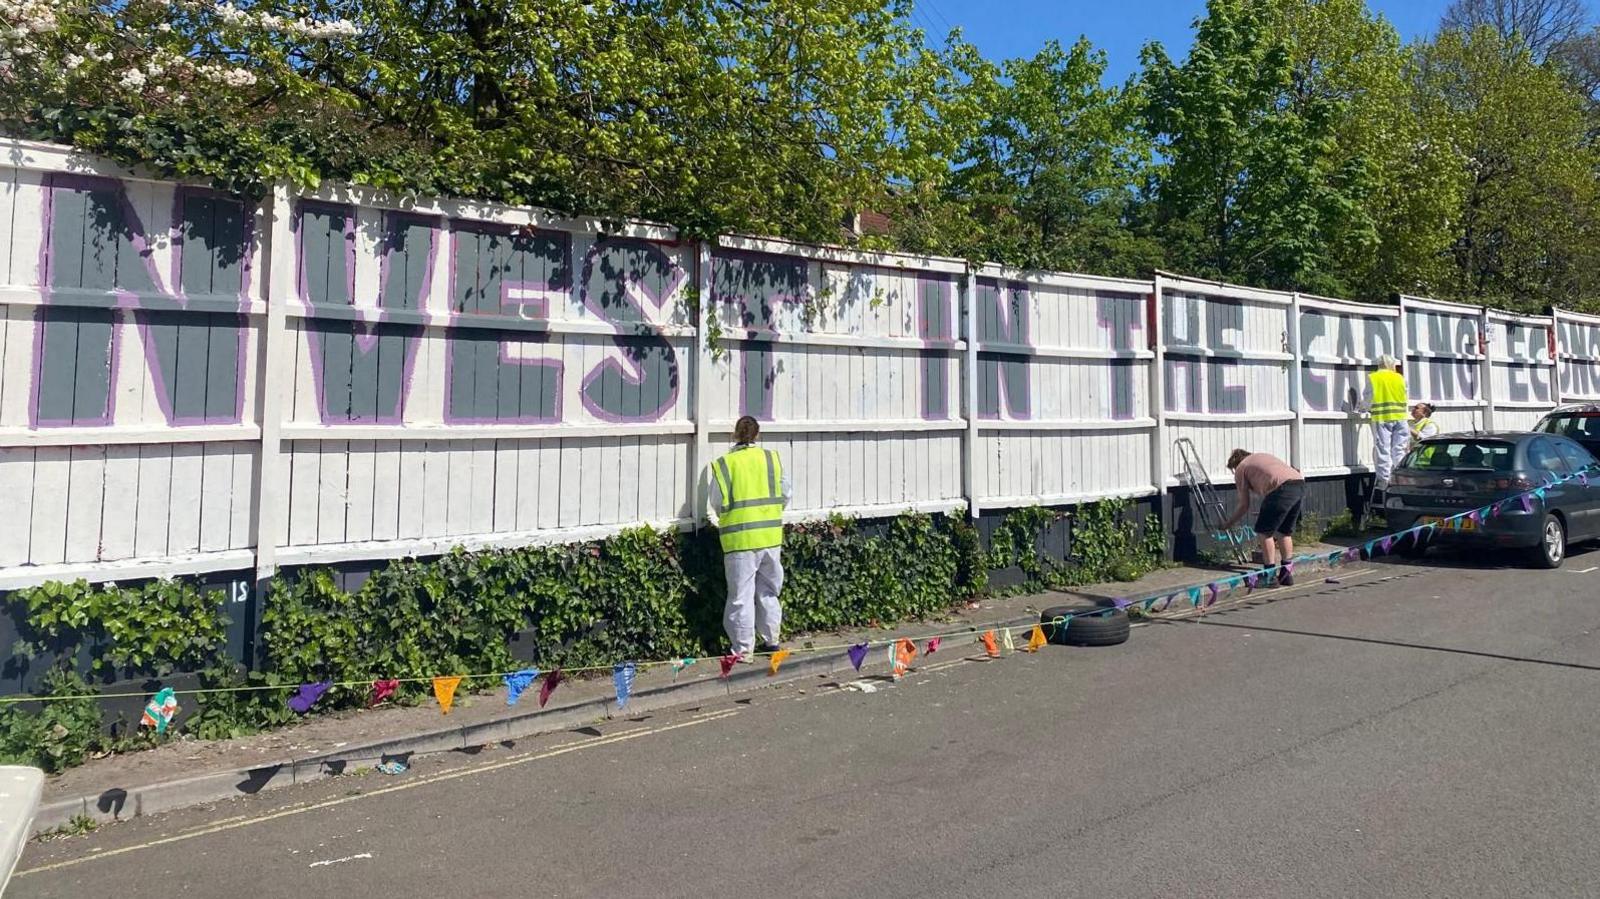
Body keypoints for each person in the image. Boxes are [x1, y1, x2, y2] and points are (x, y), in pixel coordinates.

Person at [709, 416, 792, 661]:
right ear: (757, 435)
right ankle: (771, 641)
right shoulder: (771, 459)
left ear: (734, 434)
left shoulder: (725, 464)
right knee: (768, 591)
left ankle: (743, 650)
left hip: (740, 540)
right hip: (770, 536)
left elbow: (717, 502)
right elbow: (786, 493)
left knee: (741, 596)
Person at [1221, 448, 1306, 587]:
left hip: (1281, 488)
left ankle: (1269, 576)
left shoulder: (1241, 468)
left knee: (1264, 532)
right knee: (1284, 532)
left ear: (1235, 463)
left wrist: (1228, 523)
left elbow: (1244, 505)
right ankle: (1286, 575)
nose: (1234, 472)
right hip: (1299, 483)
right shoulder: (1261, 457)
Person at [1362, 355, 1410, 493]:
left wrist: (1363, 408)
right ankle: (1401, 477)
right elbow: (1405, 396)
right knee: (1399, 449)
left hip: (1382, 417)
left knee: (1383, 449)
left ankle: (1385, 482)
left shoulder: (1374, 377)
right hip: (1401, 417)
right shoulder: (1400, 378)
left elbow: (1368, 398)